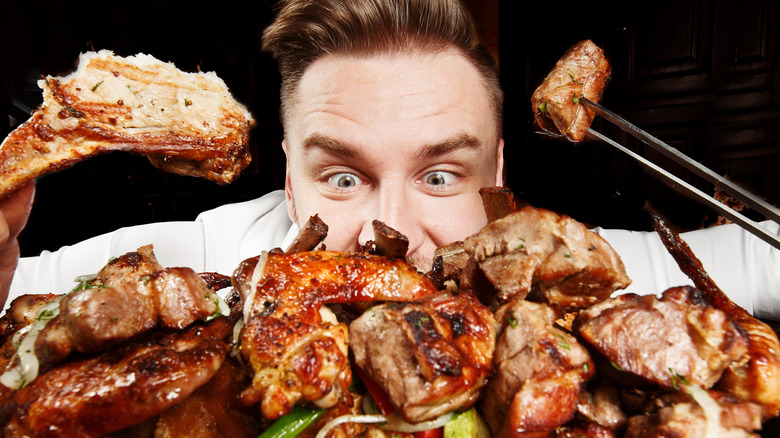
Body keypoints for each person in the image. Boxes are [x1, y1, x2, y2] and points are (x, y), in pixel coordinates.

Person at [1, 0, 779, 321]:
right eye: (342, 176)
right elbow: (20, 291)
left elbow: (758, 259)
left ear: (498, 173)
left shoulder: (563, 267)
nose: (393, 230)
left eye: (441, 175)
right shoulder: (199, 260)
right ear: (287, 171)